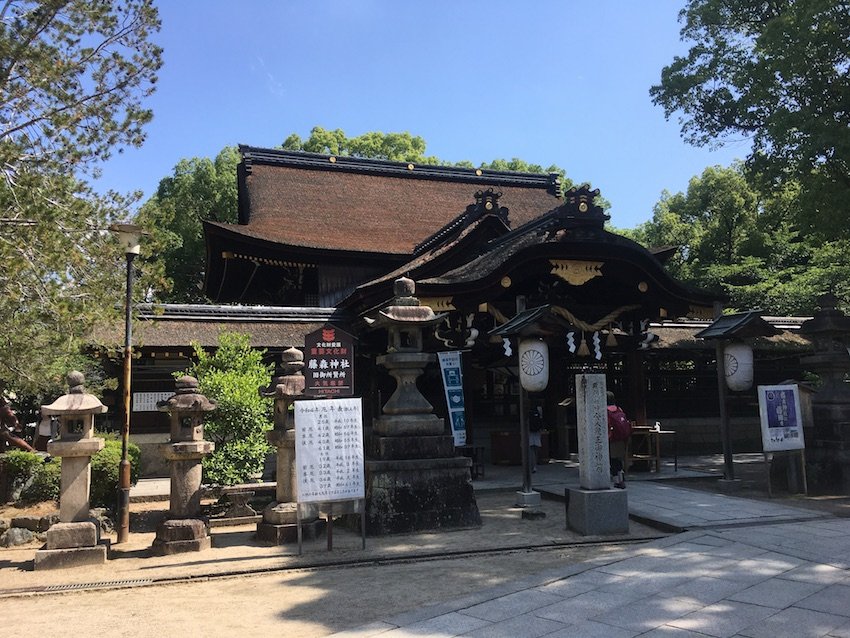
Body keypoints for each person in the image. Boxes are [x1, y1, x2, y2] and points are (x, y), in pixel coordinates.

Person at [607, 391, 632, 489]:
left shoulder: (605, 410)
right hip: (621, 438)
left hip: (611, 438)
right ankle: (621, 478)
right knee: (618, 459)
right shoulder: (619, 409)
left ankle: (617, 481)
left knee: (612, 461)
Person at [528, 405, 544, 473]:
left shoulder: (528, 412)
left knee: (531, 448)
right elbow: (541, 422)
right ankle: (535, 464)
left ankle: (532, 465)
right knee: (536, 449)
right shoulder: (538, 412)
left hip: (530, 432)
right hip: (537, 432)